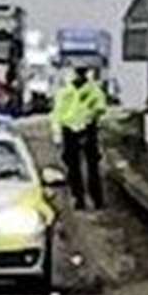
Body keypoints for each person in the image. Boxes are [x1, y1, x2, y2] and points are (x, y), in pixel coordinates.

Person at [51, 66, 106, 209]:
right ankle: (79, 198)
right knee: (73, 167)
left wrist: (89, 118)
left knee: (92, 167)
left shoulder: (93, 90)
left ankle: (96, 199)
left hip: (88, 128)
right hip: (69, 129)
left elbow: (100, 108)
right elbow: (57, 113)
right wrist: (57, 132)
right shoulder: (66, 92)